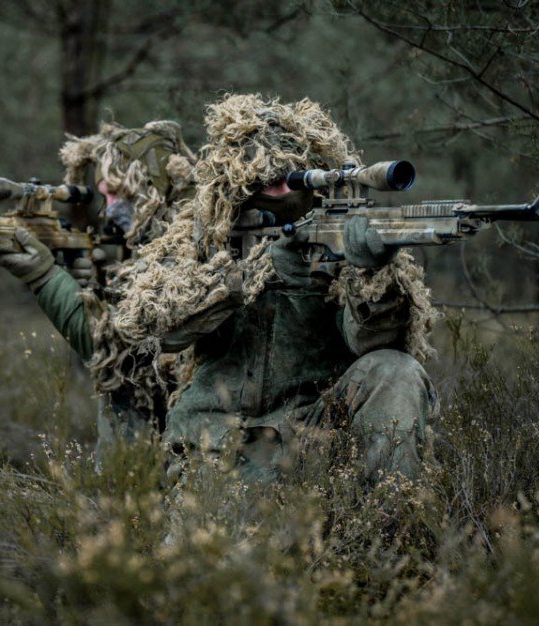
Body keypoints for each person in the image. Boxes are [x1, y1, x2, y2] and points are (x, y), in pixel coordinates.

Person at [107, 94, 440, 483]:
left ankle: (388, 530)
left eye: (291, 177)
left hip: (312, 438)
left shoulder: (339, 237)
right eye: (266, 180)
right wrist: (245, 278)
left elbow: (371, 343)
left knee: (396, 370)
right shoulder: (203, 236)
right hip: (217, 446)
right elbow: (156, 327)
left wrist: (374, 279)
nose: (281, 189)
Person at [0, 120, 197, 457]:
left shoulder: (186, 256)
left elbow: (115, 348)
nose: (109, 207)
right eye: (104, 194)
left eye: (116, 193)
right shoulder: (149, 248)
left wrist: (45, 277)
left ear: (150, 189)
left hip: (163, 470)